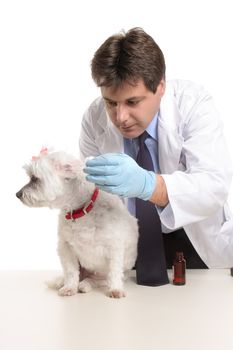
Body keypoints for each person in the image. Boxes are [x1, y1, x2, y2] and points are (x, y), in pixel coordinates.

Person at [79, 27, 233, 283]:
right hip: (129, 242)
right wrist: (87, 254)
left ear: (160, 86)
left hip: (194, 238)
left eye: (132, 102)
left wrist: (149, 185)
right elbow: (93, 199)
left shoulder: (193, 104)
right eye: (111, 102)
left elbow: (214, 187)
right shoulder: (94, 120)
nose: (120, 118)